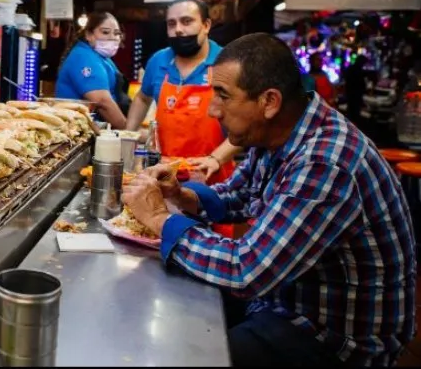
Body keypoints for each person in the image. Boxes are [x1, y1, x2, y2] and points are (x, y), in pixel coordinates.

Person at [123, 33, 416, 367]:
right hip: (280, 299)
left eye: (222, 96)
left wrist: (161, 219)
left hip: (335, 338)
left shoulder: (325, 163)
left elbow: (245, 270)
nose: (212, 110)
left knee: (191, 356)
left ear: (269, 101)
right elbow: (240, 195)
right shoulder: (276, 134)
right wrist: (181, 196)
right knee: (177, 308)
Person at [125, 0, 239, 183]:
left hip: (212, 177)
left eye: (187, 21)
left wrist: (215, 159)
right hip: (163, 174)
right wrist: (128, 135)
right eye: (171, 24)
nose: (178, 29)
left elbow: (246, 128)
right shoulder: (159, 61)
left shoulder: (228, 63)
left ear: (206, 25)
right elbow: (142, 98)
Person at [55, 12, 130, 129]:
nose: (112, 37)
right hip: (78, 131)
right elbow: (102, 102)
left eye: (116, 33)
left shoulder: (102, 58)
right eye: (105, 32)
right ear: (89, 35)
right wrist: (130, 130)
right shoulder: (83, 57)